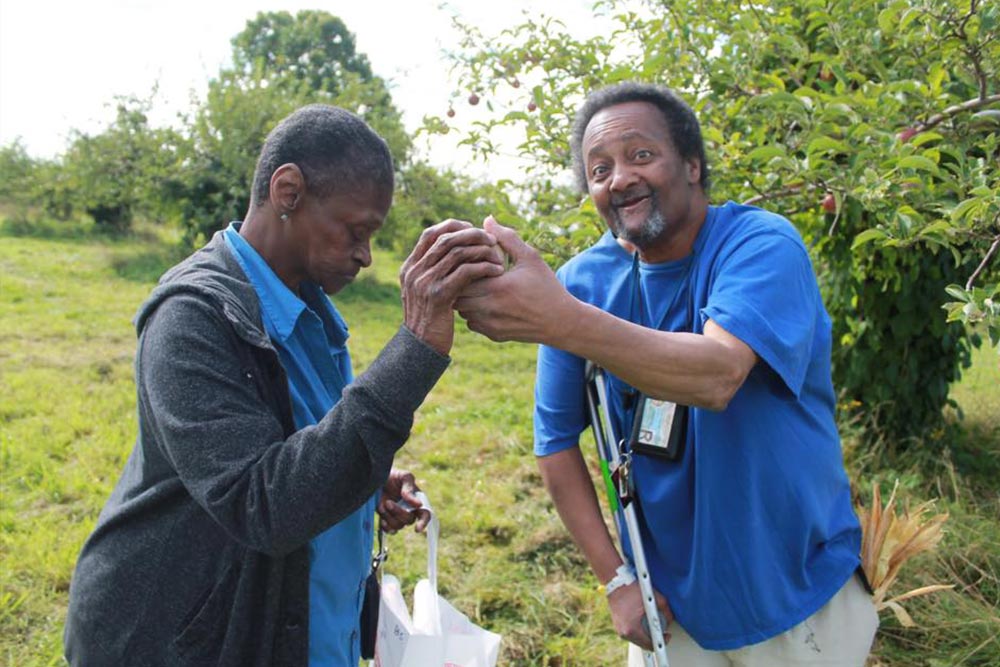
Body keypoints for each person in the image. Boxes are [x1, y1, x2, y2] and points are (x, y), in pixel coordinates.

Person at [64, 104, 504, 667]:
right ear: (288, 191)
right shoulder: (192, 317)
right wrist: (415, 346)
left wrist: (362, 486)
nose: (366, 256)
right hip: (186, 642)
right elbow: (262, 504)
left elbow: (297, 445)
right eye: (356, 231)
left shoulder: (310, 313)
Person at [456, 83, 878, 666]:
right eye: (599, 169)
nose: (619, 178)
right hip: (668, 611)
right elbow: (555, 443)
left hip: (795, 595)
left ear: (692, 165)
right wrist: (616, 580)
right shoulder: (582, 284)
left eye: (641, 155)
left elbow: (718, 375)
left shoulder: (759, 245)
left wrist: (559, 320)